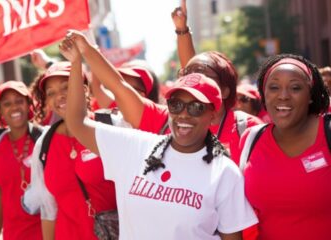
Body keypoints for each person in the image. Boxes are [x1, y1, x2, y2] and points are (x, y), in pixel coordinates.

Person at [61, 35, 258, 239]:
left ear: (213, 113)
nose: (183, 114)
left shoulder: (225, 174)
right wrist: (76, 63)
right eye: (176, 104)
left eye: (196, 107)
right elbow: (77, 122)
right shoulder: (134, 146)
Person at [241, 54, 331, 240]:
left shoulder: (328, 133)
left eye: (295, 88)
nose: (283, 96)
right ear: (263, 94)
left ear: (311, 95)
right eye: (274, 87)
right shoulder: (251, 138)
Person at [26, 62, 117, 240]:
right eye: (51, 93)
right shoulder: (43, 144)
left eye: (66, 87)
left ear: (83, 89)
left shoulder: (111, 125)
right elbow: (48, 210)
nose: (59, 96)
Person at [171, 3, 263, 163]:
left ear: (225, 90)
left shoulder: (248, 128)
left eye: (206, 78)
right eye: (190, 77)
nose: (197, 84)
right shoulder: (178, 125)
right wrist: (181, 30)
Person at [0, 81, 43, 240]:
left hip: (50, 232)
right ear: (0, 111)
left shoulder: (45, 140)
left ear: (29, 104)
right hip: (13, 235)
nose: (14, 107)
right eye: (7, 104)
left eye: (19, 101)